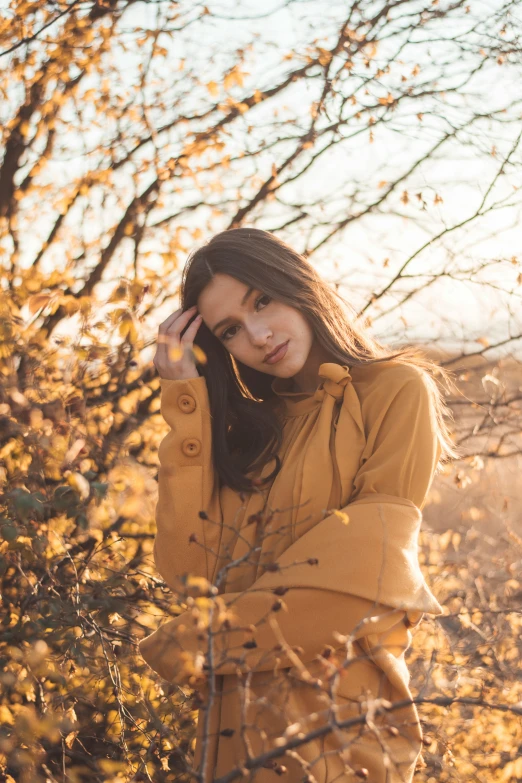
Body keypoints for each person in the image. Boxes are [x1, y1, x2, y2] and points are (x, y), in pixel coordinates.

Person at [139, 227, 460, 783]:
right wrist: (186, 404)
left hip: (343, 728)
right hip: (236, 730)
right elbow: (192, 571)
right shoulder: (248, 437)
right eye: (232, 330)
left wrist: (197, 644)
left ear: (298, 284)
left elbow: (363, 571)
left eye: (263, 300)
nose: (259, 335)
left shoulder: (395, 391)